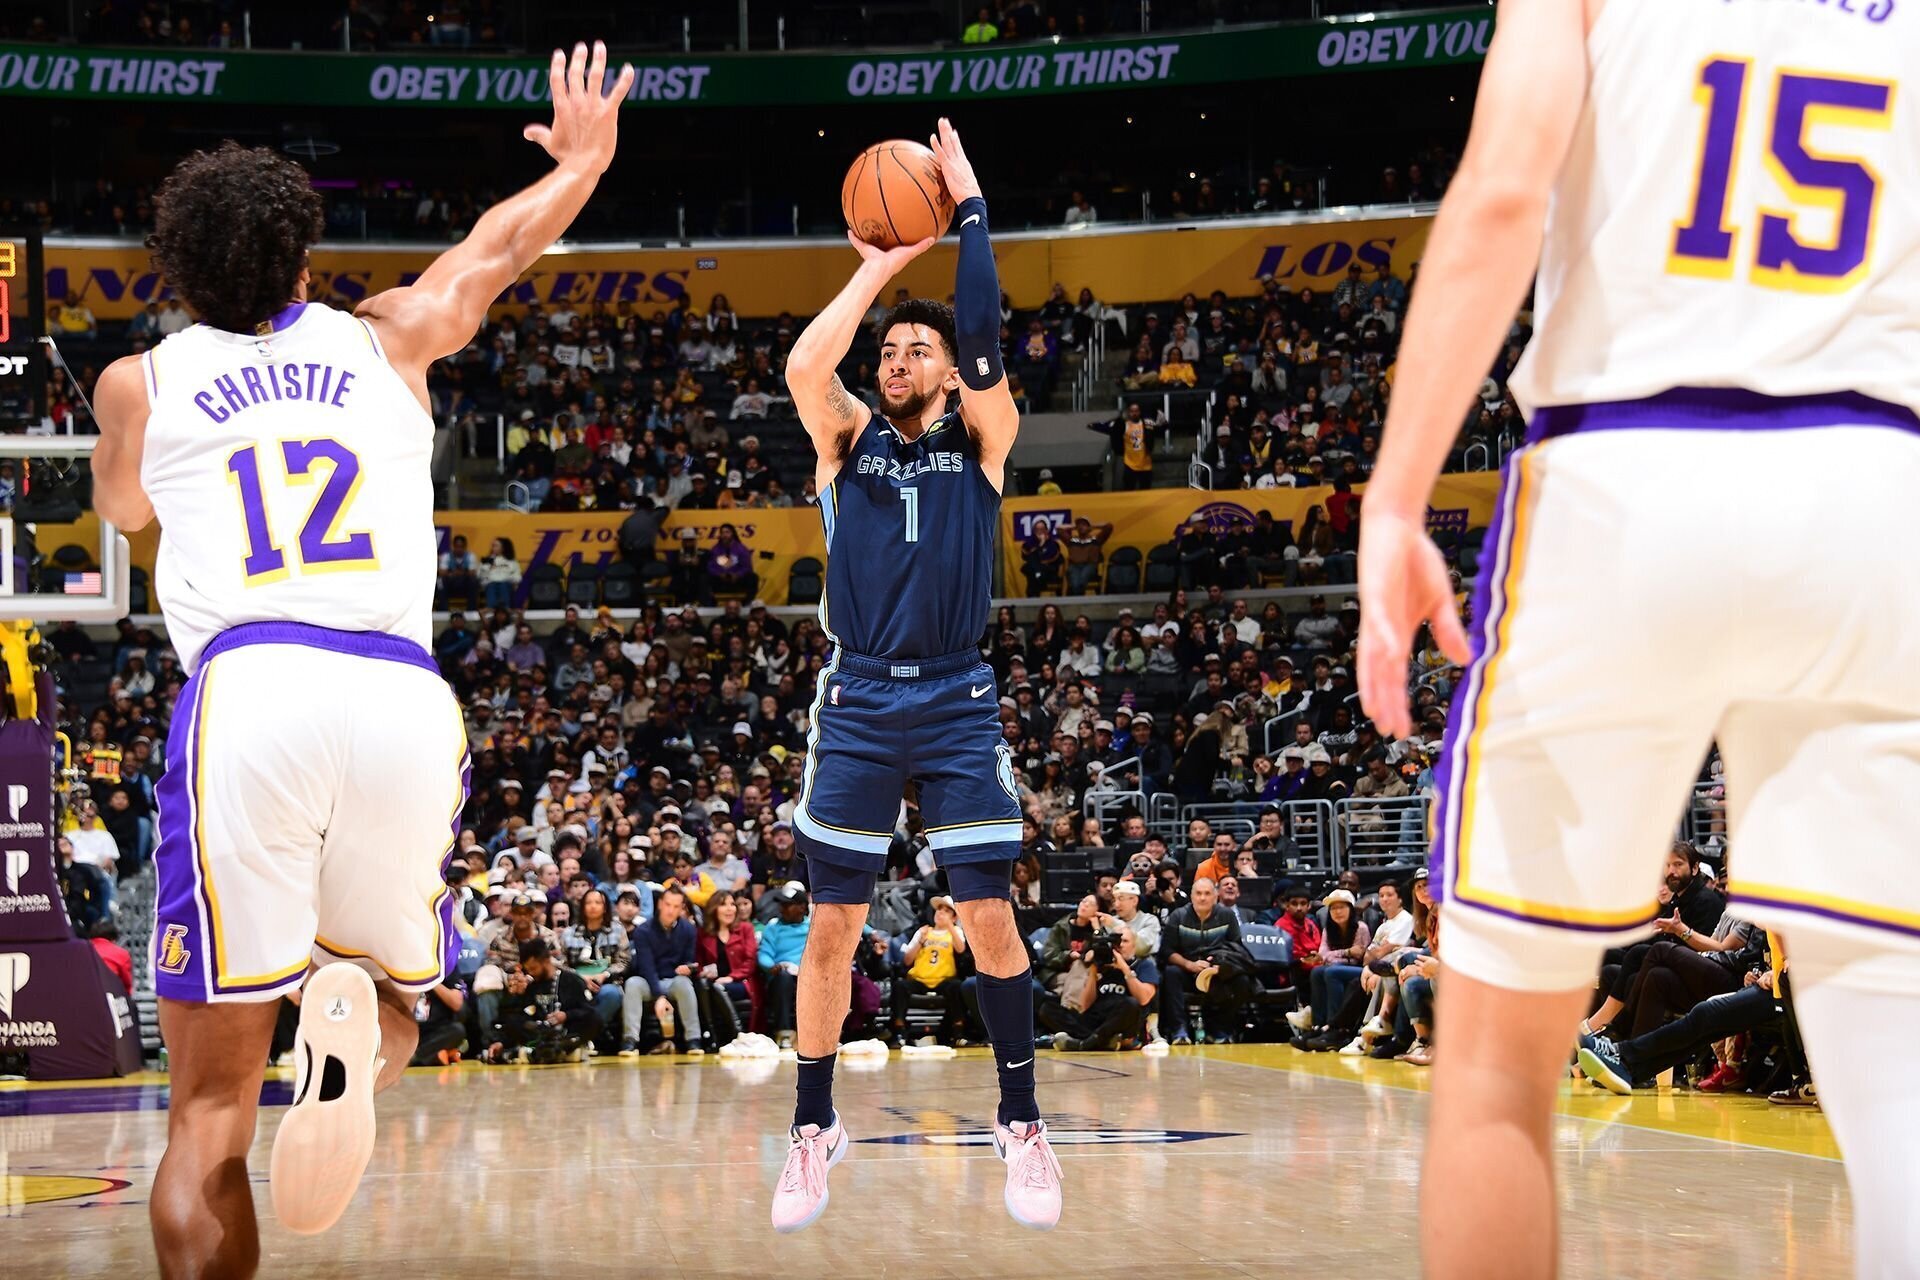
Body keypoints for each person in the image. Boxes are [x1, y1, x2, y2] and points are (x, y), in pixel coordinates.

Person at [1352, 4, 1920, 1276]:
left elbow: (1503, 193)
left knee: (1498, 1075)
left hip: (1625, 472)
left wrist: (1395, 498)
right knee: (1901, 1074)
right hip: (1880, 483)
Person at [90, 43, 635, 1272]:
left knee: (207, 1114)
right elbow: (496, 250)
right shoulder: (387, 334)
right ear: (300, 258)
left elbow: (126, 514)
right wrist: (586, 161)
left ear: (177, 267)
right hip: (398, 689)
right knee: (390, 997)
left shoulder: (141, 380)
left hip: (253, 689)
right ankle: (352, 1048)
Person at [772, 118, 1059, 1233]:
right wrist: (879, 264)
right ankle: (813, 1126)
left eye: (914, 349)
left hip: (951, 692)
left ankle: (1020, 1120)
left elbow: (984, 343)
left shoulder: (982, 434)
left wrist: (970, 213)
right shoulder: (846, 440)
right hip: (856, 698)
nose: (895, 359)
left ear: (947, 373)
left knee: (986, 908)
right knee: (834, 921)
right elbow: (806, 364)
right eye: (888, 350)